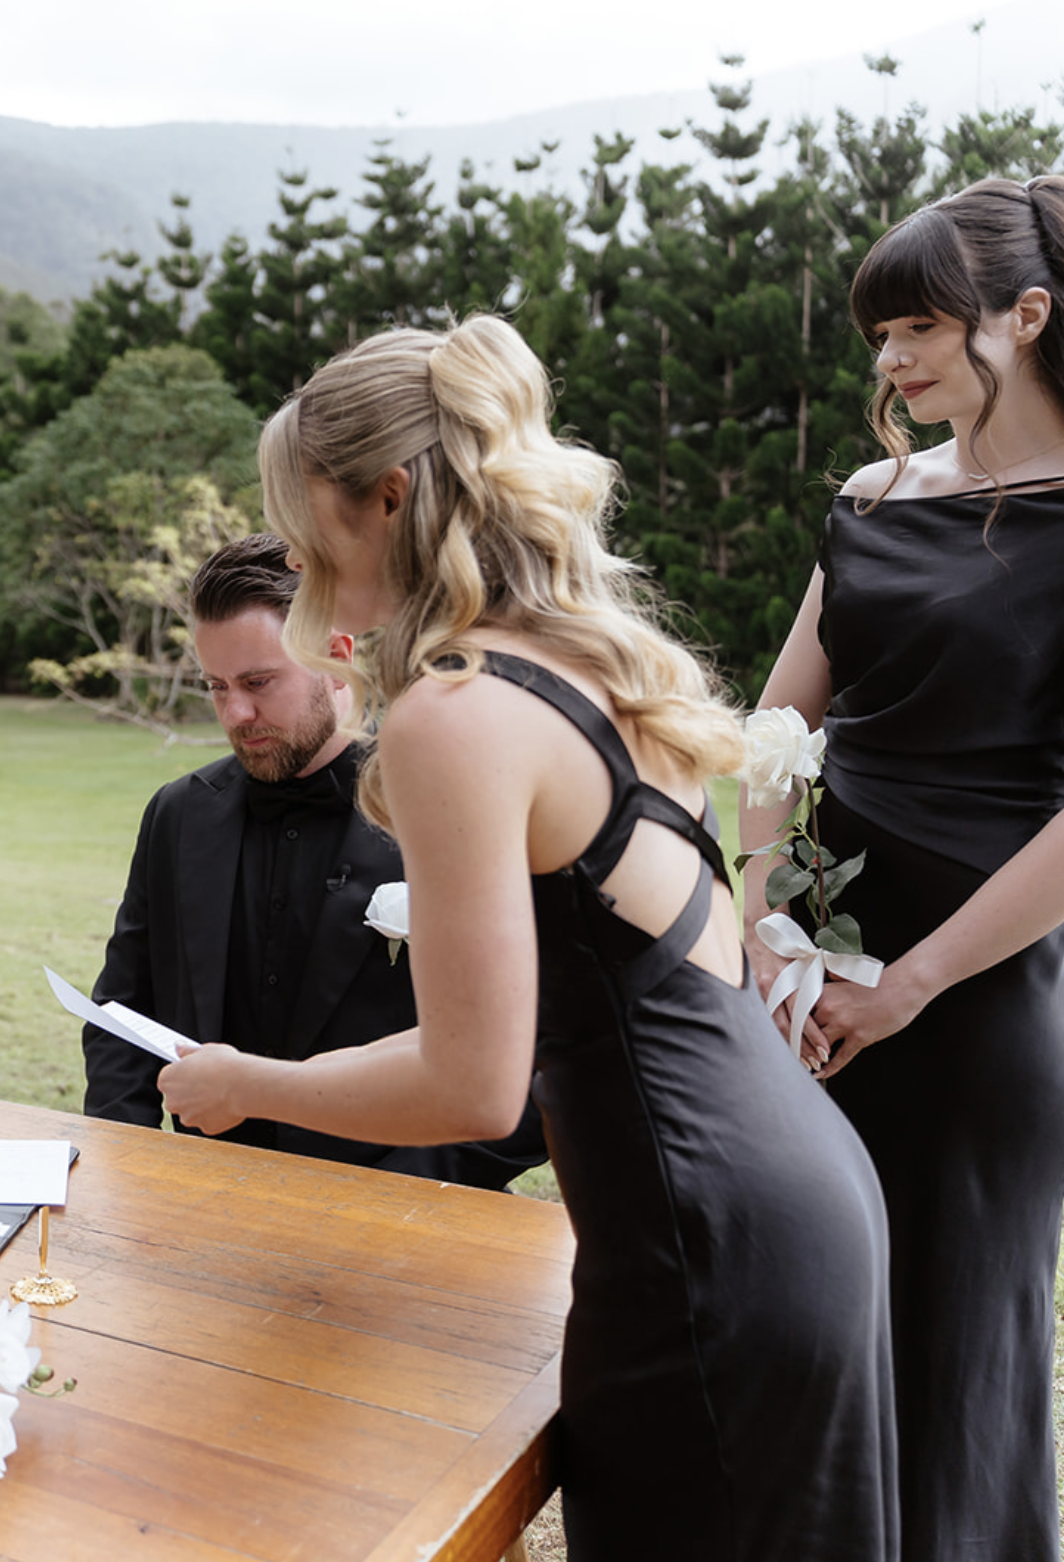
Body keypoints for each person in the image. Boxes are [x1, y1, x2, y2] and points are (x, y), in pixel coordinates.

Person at [158, 316, 897, 1559]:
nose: (295, 562)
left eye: (305, 530)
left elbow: (470, 1079)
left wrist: (251, 1081)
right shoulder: (595, 663)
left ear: (386, 499)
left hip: (700, 1245)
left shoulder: (456, 711)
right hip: (791, 1193)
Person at [744, 175, 1064, 1562]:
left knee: (953, 1354)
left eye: (920, 325)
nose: (890, 360)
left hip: (978, 996)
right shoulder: (870, 497)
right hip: (810, 979)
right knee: (807, 1323)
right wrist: (760, 912)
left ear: (1029, 316)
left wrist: (915, 983)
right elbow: (775, 726)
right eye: (881, 332)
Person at [82, 533, 544, 1188]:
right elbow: (124, 1011)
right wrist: (130, 1159)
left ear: (338, 657)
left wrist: (409, 1190)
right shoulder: (177, 814)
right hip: (200, 1198)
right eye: (216, 687)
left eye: (258, 682)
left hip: (398, 1214)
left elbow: (534, 1056)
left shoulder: (447, 811)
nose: (236, 713)